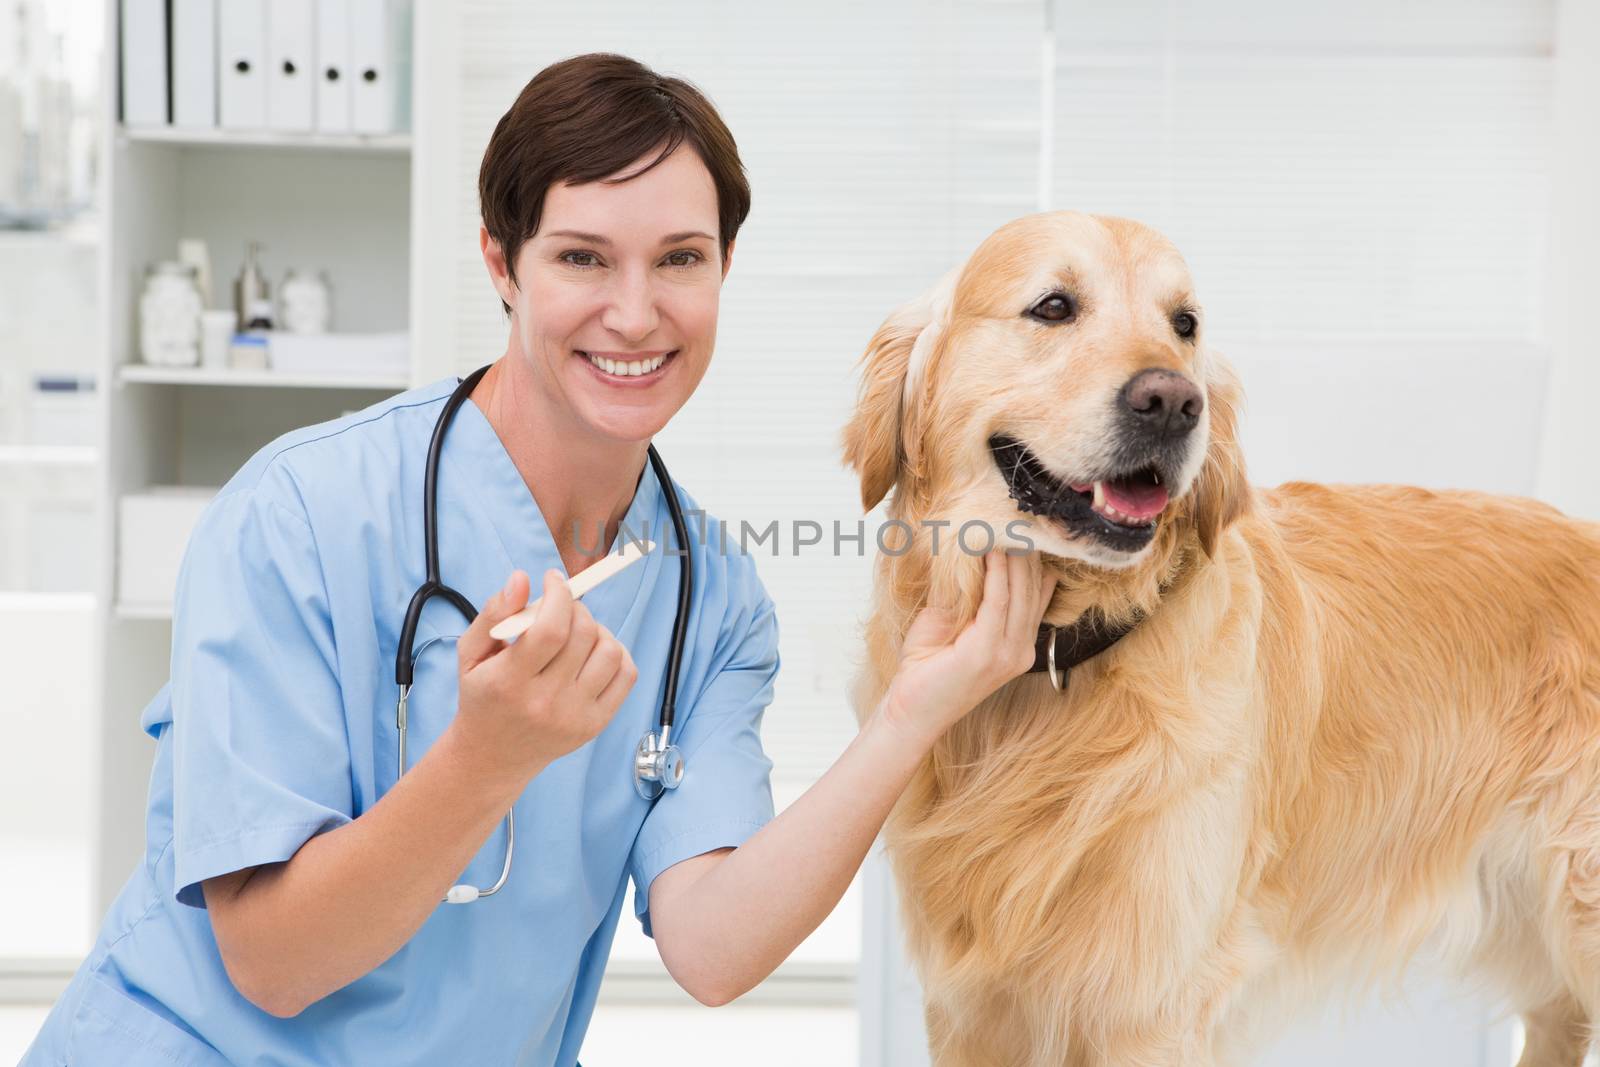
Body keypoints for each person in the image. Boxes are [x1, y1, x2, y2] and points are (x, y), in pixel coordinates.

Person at [22, 52, 1055, 1066]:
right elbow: (274, 962)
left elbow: (712, 946)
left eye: (681, 259)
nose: (637, 311)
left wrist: (912, 711)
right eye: (582, 257)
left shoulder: (711, 596)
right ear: (499, 263)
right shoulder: (300, 513)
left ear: (724, 269)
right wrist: (486, 757)